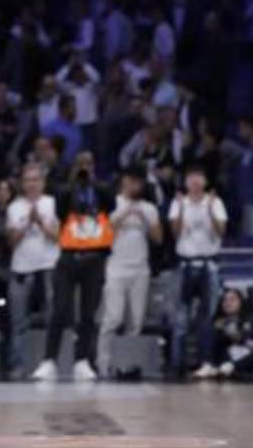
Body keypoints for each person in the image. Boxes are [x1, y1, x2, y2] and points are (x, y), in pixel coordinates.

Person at [45, 153, 112, 381]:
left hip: (94, 259)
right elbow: (59, 212)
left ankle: (82, 360)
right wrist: (74, 184)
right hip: (69, 257)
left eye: (89, 164)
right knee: (61, 307)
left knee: (88, 312)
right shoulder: (65, 191)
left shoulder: (101, 190)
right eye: (80, 164)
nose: (85, 169)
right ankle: (49, 360)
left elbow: (111, 204)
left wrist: (92, 182)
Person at [98, 168, 161, 374]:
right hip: (115, 267)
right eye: (132, 181)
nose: (136, 186)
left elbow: (158, 238)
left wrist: (144, 218)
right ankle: (103, 363)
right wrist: (124, 214)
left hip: (140, 268)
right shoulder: (112, 203)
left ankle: (128, 365)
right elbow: (102, 232)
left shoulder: (149, 208)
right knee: (112, 318)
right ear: (124, 181)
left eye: (139, 182)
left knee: (136, 320)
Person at [168, 165, 228, 377]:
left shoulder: (215, 202)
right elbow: (175, 233)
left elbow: (221, 232)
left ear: (204, 182)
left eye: (198, 177)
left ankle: (206, 364)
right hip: (185, 263)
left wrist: (210, 209)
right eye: (190, 177)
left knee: (207, 317)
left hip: (208, 264)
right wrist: (183, 208)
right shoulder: (178, 202)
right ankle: (177, 366)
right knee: (180, 319)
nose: (194, 181)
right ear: (185, 182)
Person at [5, 163, 61, 380]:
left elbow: (57, 237)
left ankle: (49, 363)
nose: (32, 184)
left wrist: (40, 221)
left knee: (51, 318)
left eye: (36, 179)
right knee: (18, 322)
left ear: (43, 182)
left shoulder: (52, 203)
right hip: (21, 268)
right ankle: (18, 366)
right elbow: (11, 241)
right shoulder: (14, 207)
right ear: (22, 183)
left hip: (48, 266)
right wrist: (28, 222)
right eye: (28, 180)